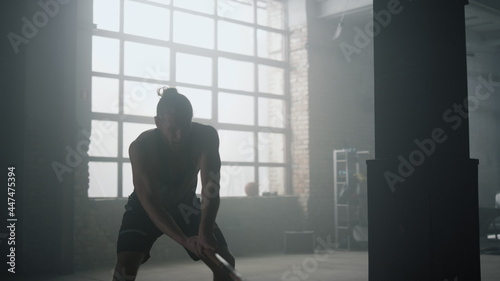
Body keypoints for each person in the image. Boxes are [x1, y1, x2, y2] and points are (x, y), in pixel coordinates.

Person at [113, 87, 235, 281]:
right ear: (158, 122)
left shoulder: (206, 137)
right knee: (125, 266)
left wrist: (205, 231)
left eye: (185, 128)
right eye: (173, 129)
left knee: (224, 262)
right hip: (145, 208)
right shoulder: (142, 147)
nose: (180, 135)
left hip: (186, 205)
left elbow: (210, 188)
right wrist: (184, 240)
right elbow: (151, 201)